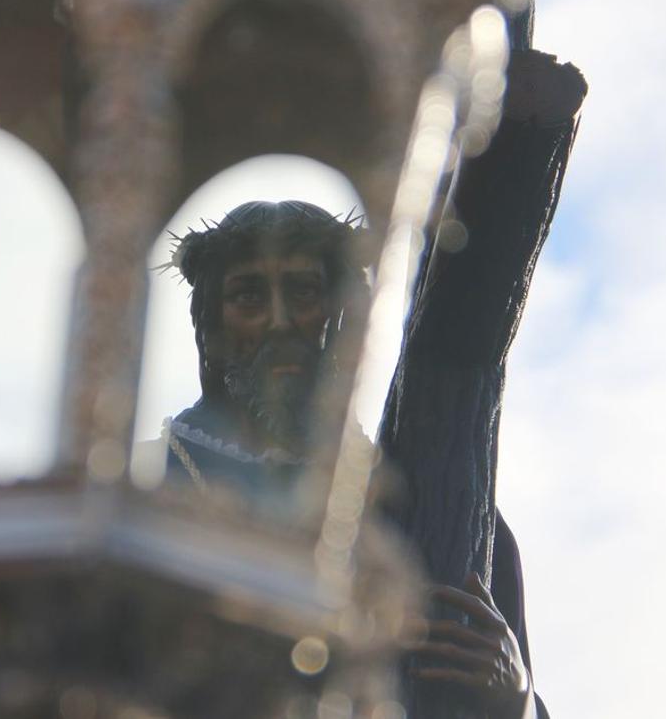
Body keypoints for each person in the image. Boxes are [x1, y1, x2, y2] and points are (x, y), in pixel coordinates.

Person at [161, 199, 547, 719]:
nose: (279, 321)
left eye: (303, 291)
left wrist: (517, 701)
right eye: (248, 294)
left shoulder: (437, 502)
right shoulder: (144, 482)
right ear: (210, 320)